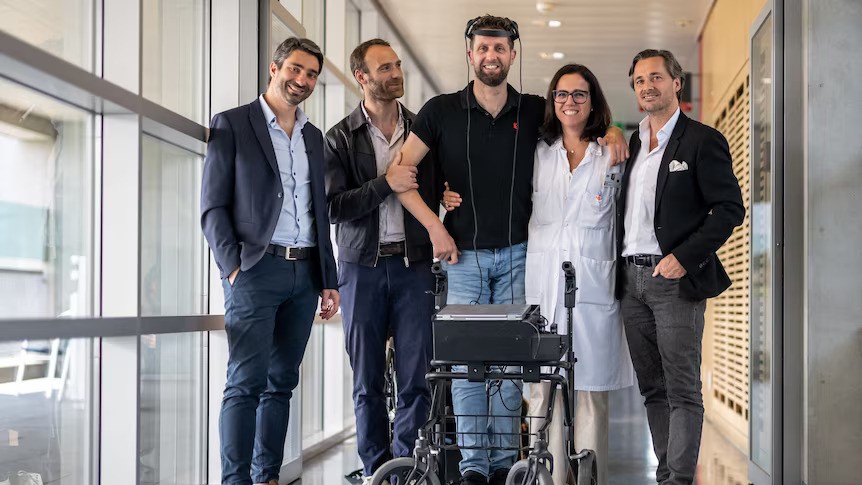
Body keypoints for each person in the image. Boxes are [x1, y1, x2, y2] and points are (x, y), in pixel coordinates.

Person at [390, 15, 627, 485]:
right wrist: (436, 225)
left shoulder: (536, 110)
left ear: (512, 55)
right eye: (482, 48)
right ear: (470, 54)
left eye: (499, 49)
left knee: (510, 365)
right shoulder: (440, 110)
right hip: (463, 257)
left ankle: (504, 467)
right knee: (465, 366)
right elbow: (400, 175)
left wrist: (617, 129)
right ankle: (476, 467)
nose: (491, 56)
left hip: (521, 254)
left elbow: (585, 120)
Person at [443, 64, 634, 485]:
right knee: (542, 395)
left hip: (593, 287)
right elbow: (491, 177)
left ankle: (586, 479)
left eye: (579, 94)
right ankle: (544, 478)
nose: (570, 101)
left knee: (589, 398)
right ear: (552, 101)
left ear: (593, 100)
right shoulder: (537, 150)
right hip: (543, 284)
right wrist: (446, 191)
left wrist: (617, 129)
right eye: (561, 94)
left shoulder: (613, 152)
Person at [200, 37, 340, 485]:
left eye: (312, 74)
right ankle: (235, 479)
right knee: (245, 382)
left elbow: (319, 211)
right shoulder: (234, 124)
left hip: (304, 274)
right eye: (295, 69)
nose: (302, 80)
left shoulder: (314, 137)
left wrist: (327, 279)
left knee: (281, 383)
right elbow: (212, 207)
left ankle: (268, 477)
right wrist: (233, 267)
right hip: (256, 271)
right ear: (274, 68)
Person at [617, 49, 744, 485]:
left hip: (672, 279)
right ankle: (668, 473)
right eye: (638, 80)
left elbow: (729, 208)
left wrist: (683, 258)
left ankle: (679, 480)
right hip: (629, 281)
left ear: (676, 82)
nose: (646, 86)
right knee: (652, 388)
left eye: (655, 77)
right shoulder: (633, 143)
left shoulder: (701, 140)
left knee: (683, 389)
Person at [324, 38, 440, 483]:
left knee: (416, 376)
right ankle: (376, 471)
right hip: (361, 269)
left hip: (414, 269)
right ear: (362, 77)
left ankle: (405, 471)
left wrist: (445, 197)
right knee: (367, 381)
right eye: (384, 68)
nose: (394, 73)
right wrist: (385, 184)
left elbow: (432, 187)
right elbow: (334, 207)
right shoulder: (339, 137)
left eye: (396, 66)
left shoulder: (422, 129)